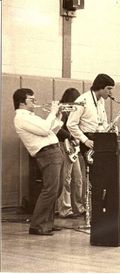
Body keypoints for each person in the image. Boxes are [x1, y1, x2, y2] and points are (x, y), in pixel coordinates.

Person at [13, 88, 64, 236]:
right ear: (22, 102)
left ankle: (47, 223)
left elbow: (50, 130)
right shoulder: (21, 118)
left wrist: (58, 115)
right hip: (46, 153)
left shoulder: (31, 116)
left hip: (53, 150)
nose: (35, 102)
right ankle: (37, 225)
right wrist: (52, 112)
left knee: (57, 189)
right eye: (32, 100)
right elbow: (43, 129)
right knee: (50, 189)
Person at [67, 73, 115, 157]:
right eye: (109, 89)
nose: (111, 92)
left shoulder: (101, 101)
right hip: (88, 141)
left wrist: (108, 129)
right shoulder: (82, 100)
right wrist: (85, 140)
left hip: (99, 139)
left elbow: (103, 122)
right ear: (100, 87)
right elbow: (71, 124)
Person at [56, 88, 85, 218]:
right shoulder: (62, 111)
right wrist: (70, 136)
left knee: (78, 179)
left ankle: (79, 207)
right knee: (66, 179)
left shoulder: (75, 113)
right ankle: (64, 209)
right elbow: (56, 128)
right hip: (64, 146)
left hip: (74, 147)